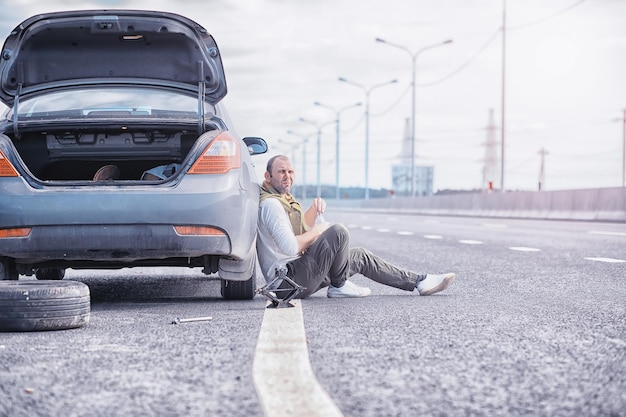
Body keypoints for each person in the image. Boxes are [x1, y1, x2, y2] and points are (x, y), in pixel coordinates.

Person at [256, 154, 456, 299]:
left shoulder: (284, 200)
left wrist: (313, 211)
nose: (287, 175)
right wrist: (320, 230)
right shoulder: (271, 204)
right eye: (281, 171)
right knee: (338, 232)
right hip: (287, 281)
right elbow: (290, 247)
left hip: (299, 274)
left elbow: (298, 230)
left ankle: (419, 281)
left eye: (290, 171)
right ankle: (339, 285)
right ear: (268, 176)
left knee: (360, 255)